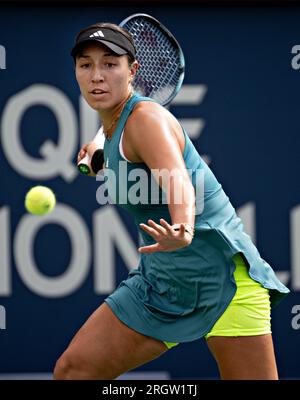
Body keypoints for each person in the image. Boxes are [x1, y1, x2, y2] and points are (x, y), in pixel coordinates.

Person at [53, 22, 290, 380]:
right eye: (85, 65)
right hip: (161, 282)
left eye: (110, 64)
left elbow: (178, 179)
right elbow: (118, 139)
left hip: (221, 277)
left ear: (132, 70)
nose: (96, 76)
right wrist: (102, 149)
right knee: (74, 371)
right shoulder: (113, 127)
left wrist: (183, 226)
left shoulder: (147, 119)